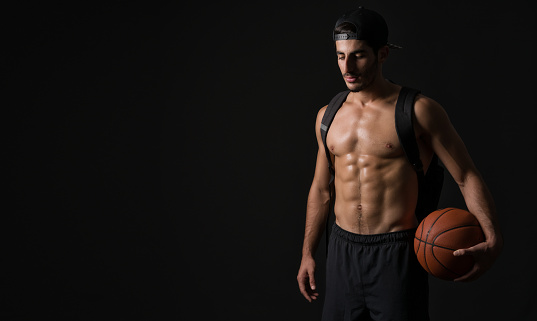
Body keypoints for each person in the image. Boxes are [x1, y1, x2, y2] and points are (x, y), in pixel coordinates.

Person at [296, 6, 503, 321]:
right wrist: (308, 253)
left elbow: (466, 176)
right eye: (340, 55)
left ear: (382, 54)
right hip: (342, 252)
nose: (347, 66)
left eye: (359, 55)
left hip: (397, 253)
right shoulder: (328, 116)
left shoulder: (418, 111)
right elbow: (321, 190)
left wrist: (493, 238)